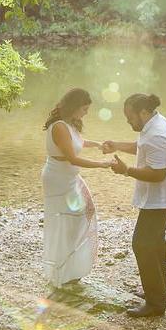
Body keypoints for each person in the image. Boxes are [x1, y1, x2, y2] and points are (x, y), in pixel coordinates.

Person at [103, 93, 166, 317]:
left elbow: (158, 174)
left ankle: (156, 304)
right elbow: (142, 146)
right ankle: (160, 290)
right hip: (164, 196)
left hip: (161, 199)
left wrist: (126, 170)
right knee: (154, 241)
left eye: (130, 117)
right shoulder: (154, 122)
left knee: (142, 244)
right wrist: (117, 146)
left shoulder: (157, 134)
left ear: (143, 112)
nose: (128, 121)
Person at [41, 88, 112, 287]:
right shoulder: (59, 127)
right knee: (67, 222)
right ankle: (62, 272)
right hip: (59, 178)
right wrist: (102, 164)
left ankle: (72, 268)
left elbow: (78, 141)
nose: (86, 113)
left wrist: (97, 145)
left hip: (69, 177)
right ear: (74, 106)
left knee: (83, 214)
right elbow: (72, 158)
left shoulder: (69, 124)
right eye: (84, 109)